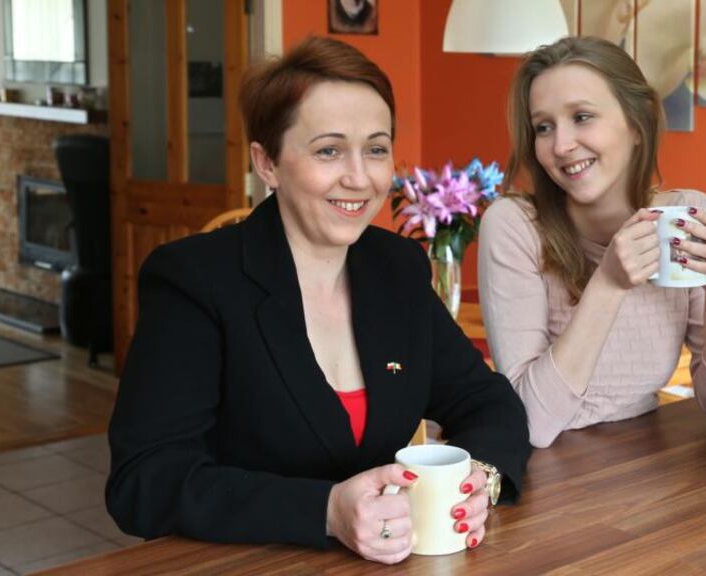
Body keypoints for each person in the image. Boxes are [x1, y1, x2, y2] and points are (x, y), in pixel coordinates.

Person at [106, 37, 530, 565]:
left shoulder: (396, 267)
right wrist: (325, 510)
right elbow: (144, 480)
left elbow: (487, 401)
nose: (359, 177)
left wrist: (480, 477)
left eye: (376, 148)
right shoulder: (194, 280)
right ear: (267, 163)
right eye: (328, 150)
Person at [478, 36, 706, 448]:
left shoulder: (686, 217)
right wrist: (608, 283)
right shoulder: (514, 226)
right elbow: (532, 425)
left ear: (637, 123)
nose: (561, 145)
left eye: (582, 116)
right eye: (544, 126)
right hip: (540, 479)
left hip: (643, 465)